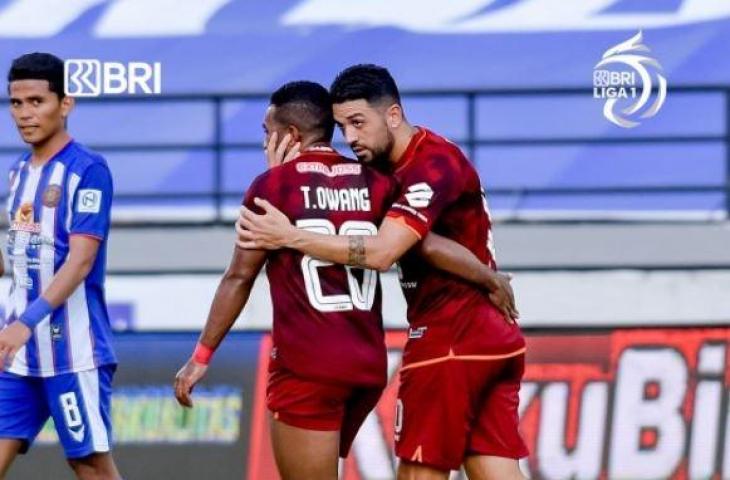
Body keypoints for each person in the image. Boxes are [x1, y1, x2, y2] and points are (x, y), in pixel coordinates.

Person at [175, 80, 515, 480]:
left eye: (268, 133)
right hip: (366, 366)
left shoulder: (272, 188)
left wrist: (200, 358)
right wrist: (488, 277)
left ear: (290, 136)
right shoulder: (378, 181)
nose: (265, 142)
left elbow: (238, 277)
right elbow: (423, 244)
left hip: (310, 363)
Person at [0, 52, 121, 480]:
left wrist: (26, 321)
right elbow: (14, 262)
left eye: (37, 101)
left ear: (65, 103)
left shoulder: (87, 170)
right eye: (16, 103)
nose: (24, 114)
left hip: (72, 351)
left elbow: (80, 259)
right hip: (17, 354)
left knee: (89, 465)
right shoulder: (17, 174)